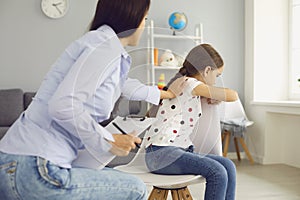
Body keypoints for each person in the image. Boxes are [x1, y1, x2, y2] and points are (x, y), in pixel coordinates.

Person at [0, 0, 185, 199]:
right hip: (36, 167)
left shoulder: (100, 44)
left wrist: (168, 94)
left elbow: (124, 85)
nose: (144, 25)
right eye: (144, 18)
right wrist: (109, 141)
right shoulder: (105, 47)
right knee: (135, 188)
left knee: (117, 179)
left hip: (18, 163)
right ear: (130, 16)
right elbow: (63, 106)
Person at [144, 43, 238, 200]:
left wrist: (212, 95)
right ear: (207, 70)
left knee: (228, 166)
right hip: (161, 153)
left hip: (175, 151)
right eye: (217, 75)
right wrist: (215, 94)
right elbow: (233, 95)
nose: (215, 81)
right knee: (217, 171)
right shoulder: (189, 83)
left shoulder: (184, 83)